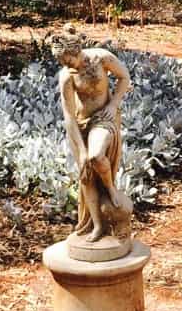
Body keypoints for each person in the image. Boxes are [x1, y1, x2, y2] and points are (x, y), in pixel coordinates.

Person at [51, 27, 132, 242]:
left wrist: (114, 104)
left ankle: (111, 188)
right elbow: (68, 115)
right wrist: (81, 149)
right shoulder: (66, 77)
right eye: (61, 61)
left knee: (96, 156)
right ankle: (96, 225)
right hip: (80, 125)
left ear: (76, 50)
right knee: (86, 175)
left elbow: (125, 77)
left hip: (104, 119)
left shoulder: (101, 58)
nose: (65, 65)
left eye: (67, 59)